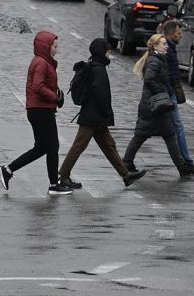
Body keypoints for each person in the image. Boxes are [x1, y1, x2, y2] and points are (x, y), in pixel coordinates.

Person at [55, 38, 146, 189]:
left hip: (94, 116)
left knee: (109, 145)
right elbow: (101, 94)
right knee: (79, 146)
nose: (109, 53)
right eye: (107, 50)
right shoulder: (99, 70)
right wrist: (106, 113)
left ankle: (126, 175)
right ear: (101, 52)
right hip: (93, 117)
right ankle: (63, 176)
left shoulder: (94, 66)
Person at [0, 30, 73, 195]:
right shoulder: (41, 63)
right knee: (53, 146)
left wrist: (57, 93)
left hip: (40, 109)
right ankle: (54, 185)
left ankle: (8, 170)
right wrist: (55, 97)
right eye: (54, 46)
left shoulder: (43, 62)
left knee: (41, 148)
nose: (56, 50)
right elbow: (37, 86)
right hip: (40, 110)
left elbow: (44, 84)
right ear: (45, 46)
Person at [123, 35, 194, 177]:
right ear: (155, 46)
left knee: (165, 135)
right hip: (153, 106)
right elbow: (149, 79)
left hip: (155, 106)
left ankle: (181, 167)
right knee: (144, 135)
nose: (166, 46)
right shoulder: (155, 61)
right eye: (163, 44)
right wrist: (162, 92)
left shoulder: (158, 59)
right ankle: (127, 163)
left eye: (166, 44)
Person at [160, 19, 194, 174]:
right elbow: (165, 73)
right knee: (177, 128)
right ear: (172, 33)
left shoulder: (169, 47)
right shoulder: (166, 48)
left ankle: (185, 162)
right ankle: (186, 163)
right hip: (167, 95)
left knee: (145, 132)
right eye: (179, 33)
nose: (181, 36)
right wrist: (171, 90)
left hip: (167, 94)